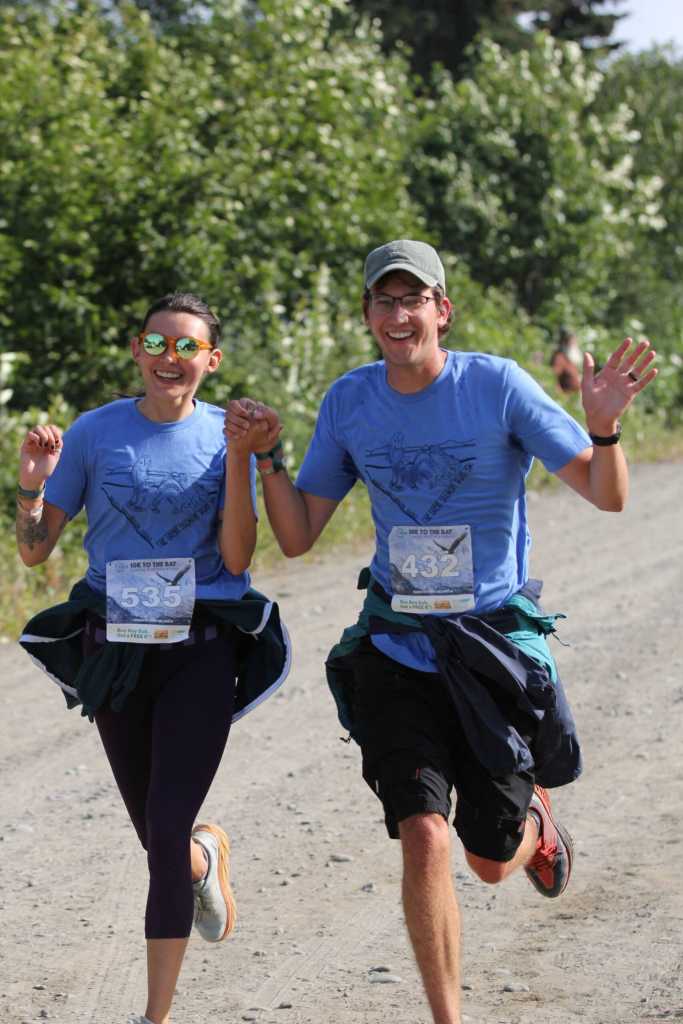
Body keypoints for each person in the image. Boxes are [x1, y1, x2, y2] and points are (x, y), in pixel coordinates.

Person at [224, 240, 657, 1024]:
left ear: (441, 310)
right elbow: (296, 536)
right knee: (422, 832)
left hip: (489, 646)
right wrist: (269, 459)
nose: (399, 315)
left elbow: (606, 495)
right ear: (367, 314)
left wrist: (603, 430)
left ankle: (535, 829)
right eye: (383, 301)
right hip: (396, 644)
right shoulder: (350, 401)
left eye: (413, 299)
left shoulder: (494, 385)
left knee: (488, 861)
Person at [16, 293, 291, 1024]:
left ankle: (154, 1016)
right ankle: (204, 860)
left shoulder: (224, 437)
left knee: (162, 832)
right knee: (160, 838)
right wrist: (32, 486)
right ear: (137, 350)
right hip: (114, 654)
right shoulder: (95, 432)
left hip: (200, 652)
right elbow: (35, 551)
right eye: (158, 343)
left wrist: (241, 457)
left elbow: (238, 558)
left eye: (187, 346)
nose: (171, 358)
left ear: (212, 360)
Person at [550, 327, 583, 393]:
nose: (574, 343)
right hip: (567, 394)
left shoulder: (570, 357)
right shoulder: (559, 357)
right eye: (572, 340)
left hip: (575, 393)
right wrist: (560, 395)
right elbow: (554, 378)